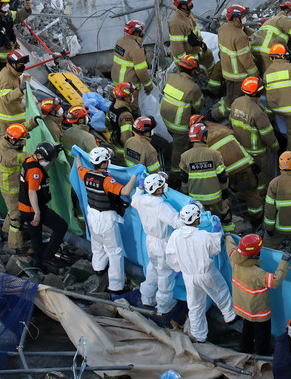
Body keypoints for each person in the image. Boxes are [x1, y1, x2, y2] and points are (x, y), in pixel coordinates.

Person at [165, 203, 236, 342]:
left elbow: (170, 256)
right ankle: (230, 316)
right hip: (206, 273)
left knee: (195, 305)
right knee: (221, 292)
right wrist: (217, 233)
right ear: (196, 220)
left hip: (188, 276)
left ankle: (199, 335)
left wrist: (178, 268)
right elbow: (215, 250)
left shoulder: (175, 235)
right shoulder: (203, 235)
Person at [77, 146, 136, 293]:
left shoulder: (86, 174)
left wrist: (78, 154)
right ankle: (116, 286)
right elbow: (126, 191)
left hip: (93, 216)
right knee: (115, 252)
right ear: (104, 164)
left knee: (97, 244)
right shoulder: (107, 181)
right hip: (107, 220)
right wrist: (135, 175)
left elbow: (79, 166)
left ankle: (98, 268)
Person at [226, 233, 291, 355]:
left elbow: (230, 248)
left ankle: (245, 349)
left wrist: (228, 237)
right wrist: (284, 262)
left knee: (247, 330)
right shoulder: (257, 273)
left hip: (244, 308)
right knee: (262, 335)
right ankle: (262, 355)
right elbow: (275, 281)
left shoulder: (234, 259)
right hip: (259, 311)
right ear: (255, 254)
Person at [130, 173, 179, 314]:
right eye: (163, 185)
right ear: (158, 190)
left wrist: (139, 188)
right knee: (165, 274)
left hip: (150, 241)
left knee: (153, 268)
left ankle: (147, 297)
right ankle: (163, 306)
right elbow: (177, 222)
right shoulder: (161, 206)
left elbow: (134, 200)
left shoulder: (143, 200)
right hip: (162, 243)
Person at [231, 76, 278, 214]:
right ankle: (258, 205)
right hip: (257, 153)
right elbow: (268, 134)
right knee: (259, 182)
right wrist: (276, 147)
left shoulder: (236, 103)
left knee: (244, 176)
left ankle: (242, 197)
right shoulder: (257, 112)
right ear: (256, 93)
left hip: (240, 150)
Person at [19, 142, 67, 271]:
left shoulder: (30, 161)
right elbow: (32, 192)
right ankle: (48, 257)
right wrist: (37, 213)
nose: (47, 162)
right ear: (39, 155)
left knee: (36, 235)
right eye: (46, 159)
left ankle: (39, 262)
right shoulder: (34, 171)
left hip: (25, 207)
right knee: (61, 226)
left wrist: (54, 156)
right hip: (32, 209)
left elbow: (43, 169)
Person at [179, 122, 233, 231]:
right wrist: (225, 190)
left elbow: (184, 178)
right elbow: (222, 176)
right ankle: (229, 238)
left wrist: (185, 192)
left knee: (201, 222)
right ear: (204, 137)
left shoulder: (185, 156)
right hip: (216, 198)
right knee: (225, 218)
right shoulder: (215, 154)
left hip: (196, 199)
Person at [204, 114, 259, 217]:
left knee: (223, 198)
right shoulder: (222, 129)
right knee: (252, 191)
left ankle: (229, 219)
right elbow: (238, 146)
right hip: (245, 165)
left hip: (227, 173)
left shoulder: (202, 141)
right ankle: (257, 220)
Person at [161, 54, 205, 167]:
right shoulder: (193, 88)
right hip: (178, 126)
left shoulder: (171, 77)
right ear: (193, 71)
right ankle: (175, 175)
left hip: (164, 119)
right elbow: (198, 107)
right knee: (179, 149)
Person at [218, 3, 257, 106]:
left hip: (227, 72)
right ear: (236, 19)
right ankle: (234, 118)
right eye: (243, 17)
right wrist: (255, 74)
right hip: (238, 75)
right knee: (238, 102)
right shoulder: (240, 36)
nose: (245, 19)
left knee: (229, 98)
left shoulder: (222, 29)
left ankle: (219, 114)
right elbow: (246, 60)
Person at [0, 123, 27, 250]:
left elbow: (20, 129)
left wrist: (32, 122)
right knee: (16, 217)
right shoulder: (10, 155)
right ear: (12, 140)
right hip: (11, 188)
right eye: (21, 141)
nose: (22, 143)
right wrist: (44, 152)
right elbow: (26, 157)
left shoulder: (4, 141)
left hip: (8, 185)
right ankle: (15, 245)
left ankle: (5, 230)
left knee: (11, 210)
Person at [112, 19, 153, 107]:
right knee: (131, 108)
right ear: (136, 33)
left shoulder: (119, 40)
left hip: (117, 82)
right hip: (128, 85)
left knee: (119, 104)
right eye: (141, 31)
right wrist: (149, 86)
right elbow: (142, 71)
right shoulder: (136, 48)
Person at [169, 0, 213, 69]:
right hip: (186, 59)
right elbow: (177, 48)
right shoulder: (176, 24)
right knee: (193, 79)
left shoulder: (189, 14)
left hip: (196, 50)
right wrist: (185, 64)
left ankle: (211, 76)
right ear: (182, 5)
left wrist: (201, 43)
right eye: (189, 2)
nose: (191, 4)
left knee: (209, 55)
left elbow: (196, 31)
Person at [0, 49, 30, 131]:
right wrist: (20, 90)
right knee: (17, 136)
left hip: (6, 111)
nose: (23, 67)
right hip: (8, 115)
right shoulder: (7, 77)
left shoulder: (12, 72)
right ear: (13, 64)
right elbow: (6, 98)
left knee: (7, 137)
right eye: (20, 64)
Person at [105, 83, 137, 162]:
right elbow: (126, 137)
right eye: (131, 95)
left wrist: (113, 135)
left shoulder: (113, 106)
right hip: (124, 151)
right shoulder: (126, 115)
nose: (132, 97)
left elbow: (107, 122)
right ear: (126, 98)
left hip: (117, 144)